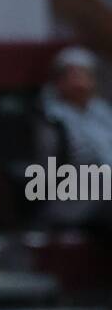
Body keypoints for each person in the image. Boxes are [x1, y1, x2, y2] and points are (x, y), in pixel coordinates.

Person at [33, 47, 112, 231]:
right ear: (59, 81)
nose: (80, 81)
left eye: (85, 74)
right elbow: (53, 167)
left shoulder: (102, 112)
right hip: (76, 197)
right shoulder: (50, 118)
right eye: (74, 75)